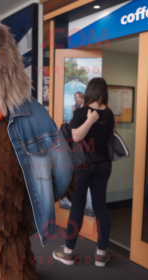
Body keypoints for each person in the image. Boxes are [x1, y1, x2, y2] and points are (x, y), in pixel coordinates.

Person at [53, 78, 116, 267]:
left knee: (78, 208)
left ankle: (68, 253)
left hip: (83, 166)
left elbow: (76, 136)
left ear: (89, 91)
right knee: (100, 208)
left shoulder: (82, 112)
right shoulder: (109, 114)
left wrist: (89, 119)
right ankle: (101, 255)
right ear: (104, 92)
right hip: (103, 165)